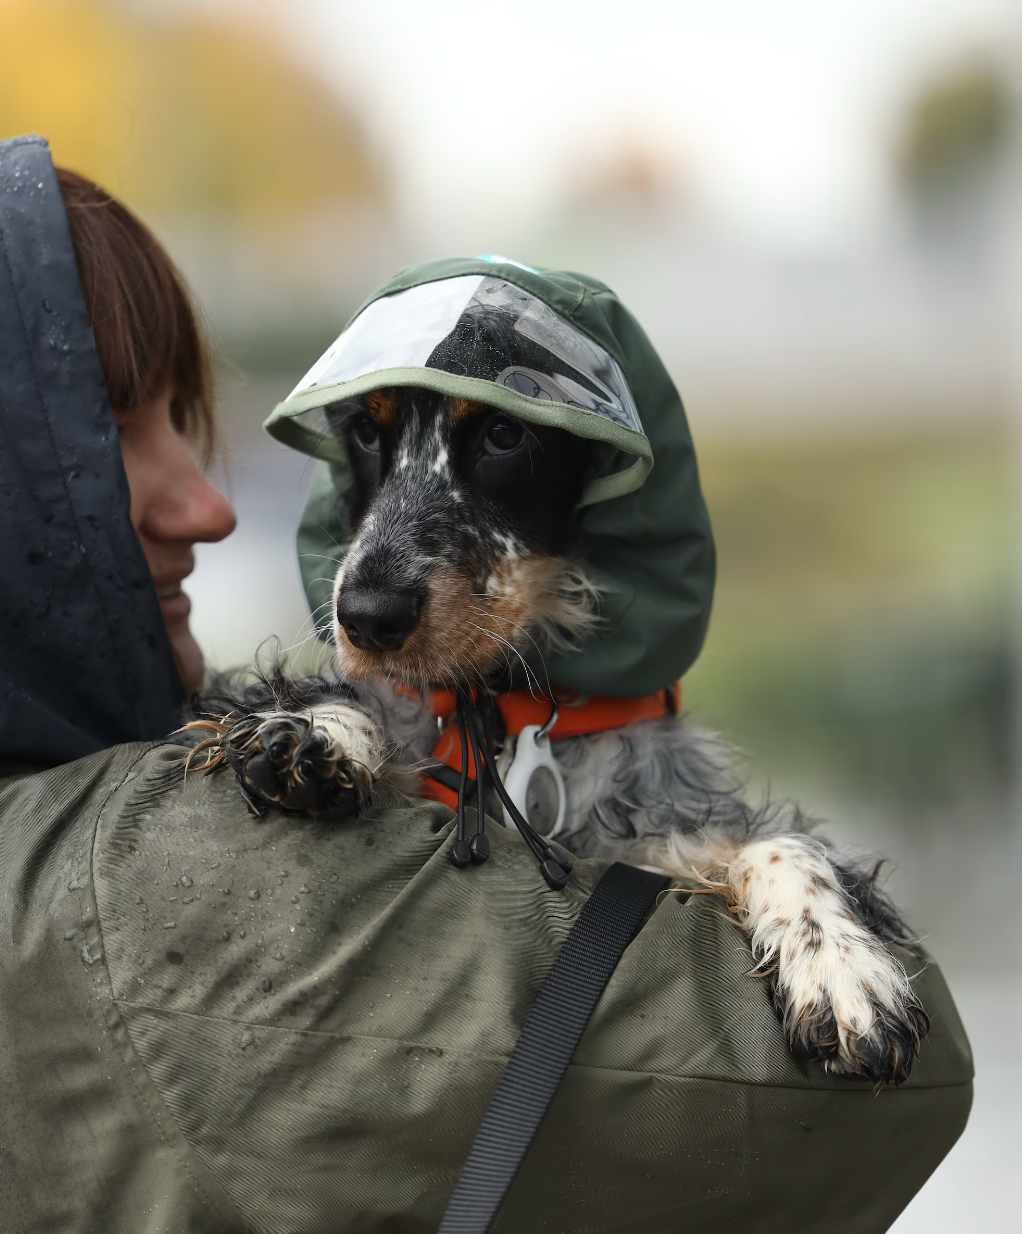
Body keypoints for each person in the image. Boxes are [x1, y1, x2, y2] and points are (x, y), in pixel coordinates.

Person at [0, 135, 972, 1233]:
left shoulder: (136, 746)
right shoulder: (118, 876)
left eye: (500, 436)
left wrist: (766, 867)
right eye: (111, 435)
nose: (213, 509)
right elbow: (882, 1090)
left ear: (608, 499)